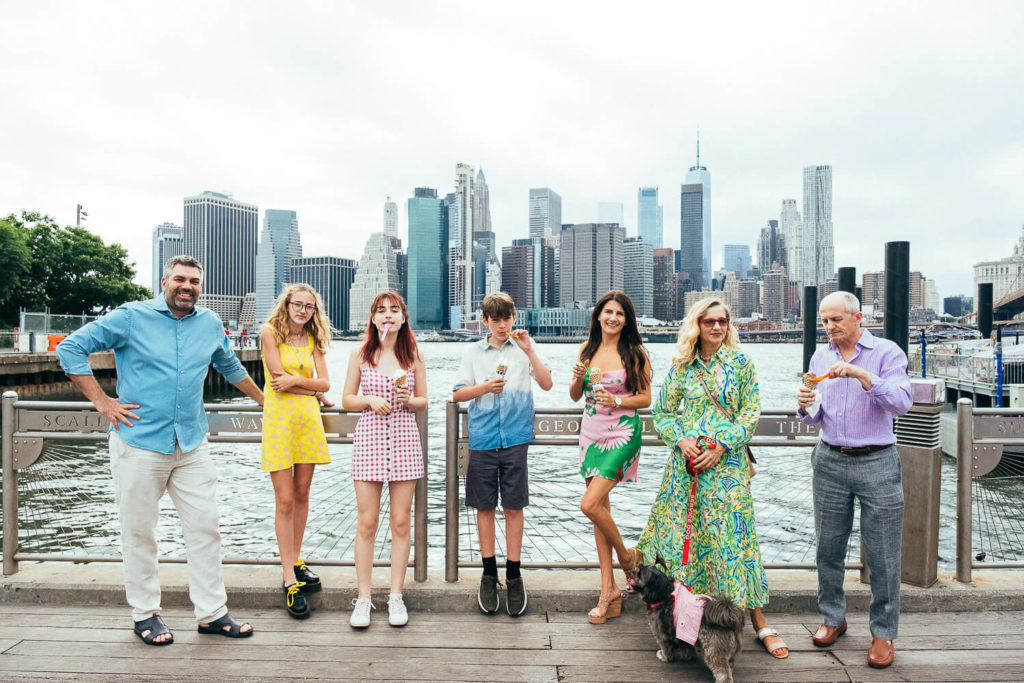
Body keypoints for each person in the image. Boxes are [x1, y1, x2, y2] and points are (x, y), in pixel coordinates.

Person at [56, 255, 261, 646]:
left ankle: (212, 613)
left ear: (201, 286)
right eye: (180, 279)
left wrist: (265, 400)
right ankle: (145, 614)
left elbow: (231, 366)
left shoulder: (210, 323)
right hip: (139, 442)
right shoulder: (131, 317)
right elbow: (71, 348)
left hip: (192, 443)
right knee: (139, 533)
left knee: (206, 528)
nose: (187, 287)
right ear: (164, 281)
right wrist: (103, 402)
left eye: (195, 282)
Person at [636, 298, 788, 659]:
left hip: (727, 473)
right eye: (710, 322)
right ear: (697, 325)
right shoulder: (681, 366)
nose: (718, 327)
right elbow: (662, 412)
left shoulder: (740, 363)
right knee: (687, 545)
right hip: (686, 472)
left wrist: (722, 445)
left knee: (733, 544)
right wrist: (680, 439)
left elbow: (751, 413)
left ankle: (757, 622)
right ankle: (688, 624)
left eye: (723, 321)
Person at [796, 290, 911, 669]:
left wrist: (863, 375)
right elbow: (815, 415)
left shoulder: (887, 353)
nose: (829, 327)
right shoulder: (820, 355)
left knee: (882, 554)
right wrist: (804, 405)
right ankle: (833, 618)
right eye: (824, 321)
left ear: (857, 318)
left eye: (835, 320)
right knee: (828, 548)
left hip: (877, 460)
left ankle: (883, 633)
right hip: (829, 458)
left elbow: (901, 402)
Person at [452, 292, 552, 617]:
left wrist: (529, 350)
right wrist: (483, 388)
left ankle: (514, 572)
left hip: (515, 439)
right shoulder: (473, 352)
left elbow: (548, 384)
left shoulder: (524, 347)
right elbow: (457, 394)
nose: (502, 324)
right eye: (495, 319)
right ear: (485, 321)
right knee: (484, 508)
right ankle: (488, 572)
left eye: (507, 318)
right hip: (481, 439)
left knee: (513, 507)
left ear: (514, 318)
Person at [341, 291, 427, 628]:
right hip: (369, 441)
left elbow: (424, 400)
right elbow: (346, 398)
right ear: (373, 318)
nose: (387, 315)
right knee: (367, 522)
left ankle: (395, 596)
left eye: (394, 310)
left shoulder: (413, 355)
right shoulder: (361, 354)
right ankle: (363, 598)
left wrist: (410, 398)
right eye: (381, 310)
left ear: (403, 317)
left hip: (405, 439)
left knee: (401, 522)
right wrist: (369, 399)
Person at [568, 291, 651, 624]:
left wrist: (617, 401)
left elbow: (645, 398)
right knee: (599, 511)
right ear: (598, 315)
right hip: (590, 436)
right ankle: (609, 591)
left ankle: (628, 559)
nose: (613, 318)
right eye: (608, 312)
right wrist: (577, 377)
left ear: (626, 319)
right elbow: (576, 395)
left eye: (620, 313)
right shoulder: (588, 350)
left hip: (622, 435)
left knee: (589, 505)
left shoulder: (635, 353)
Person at [260, 283, 334, 619]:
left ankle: (296, 558)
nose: (303, 311)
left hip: (307, 421)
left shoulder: (314, 340)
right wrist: (307, 387)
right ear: (286, 304)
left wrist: (299, 385)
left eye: (309, 307)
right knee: (285, 499)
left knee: (303, 492)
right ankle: (289, 578)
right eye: (298, 304)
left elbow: (326, 382)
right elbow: (277, 378)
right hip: (279, 421)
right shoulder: (269, 333)